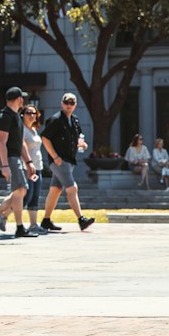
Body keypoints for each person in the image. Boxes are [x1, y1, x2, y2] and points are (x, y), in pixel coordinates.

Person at [0, 86, 39, 240]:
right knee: (21, 190)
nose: (24, 100)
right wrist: (5, 166)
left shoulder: (16, 117)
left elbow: (21, 143)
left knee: (20, 191)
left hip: (15, 158)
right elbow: (2, 142)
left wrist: (29, 162)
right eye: (22, 98)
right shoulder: (4, 117)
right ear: (18, 99)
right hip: (8, 159)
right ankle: (20, 227)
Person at [39, 92, 95, 232]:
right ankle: (81, 219)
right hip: (59, 161)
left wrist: (82, 145)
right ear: (61, 103)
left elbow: (77, 139)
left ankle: (46, 220)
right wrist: (55, 157)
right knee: (72, 188)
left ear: (75, 105)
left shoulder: (75, 120)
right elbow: (45, 138)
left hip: (70, 160)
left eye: (72, 103)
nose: (69, 105)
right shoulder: (55, 119)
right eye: (66, 102)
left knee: (55, 190)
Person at [20, 104, 44, 233]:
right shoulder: (22, 130)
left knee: (35, 196)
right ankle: (3, 216)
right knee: (26, 196)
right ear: (22, 115)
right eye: (28, 113)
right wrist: (28, 163)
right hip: (27, 167)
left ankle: (34, 225)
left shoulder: (34, 130)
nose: (31, 115)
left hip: (38, 167)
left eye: (34, 113)